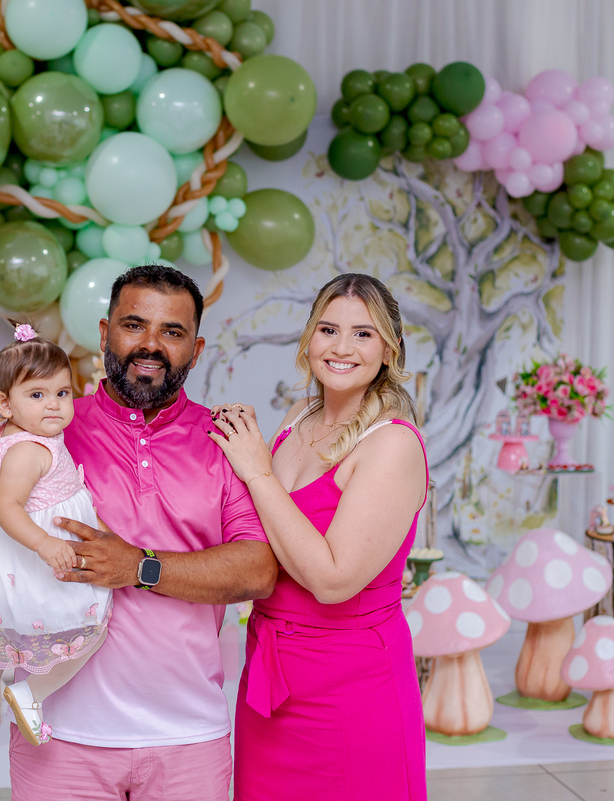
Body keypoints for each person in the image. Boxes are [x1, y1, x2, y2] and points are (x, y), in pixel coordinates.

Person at [0, 264, 278, 800]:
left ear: (195, 349)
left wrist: (139, 567)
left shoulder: (225, 441)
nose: (150, 345)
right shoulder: (45, 430)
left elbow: (258, 571)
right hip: (58, 736)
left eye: (172, 331)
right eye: (133, 325)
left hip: (190, 738)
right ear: (104, 334)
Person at [208, 273, 429, 800]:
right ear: (309, 338)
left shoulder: (392, 445)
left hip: (353, 686)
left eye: (363, 334)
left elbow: (333, 581)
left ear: (389, 349)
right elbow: (265, 529)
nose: (341, 347)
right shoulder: (298, 417)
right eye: (329, 330)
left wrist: (256, 470)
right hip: (270, 676)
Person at [0, 325, 112, 747]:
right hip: (31, 548)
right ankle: (30, 692)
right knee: (91, 630)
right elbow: (7, 506)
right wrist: (46, 544)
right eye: (37, 395)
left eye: (62, 393)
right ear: (4, 403)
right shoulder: (30, 450)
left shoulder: (7, 433)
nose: (53, 404)